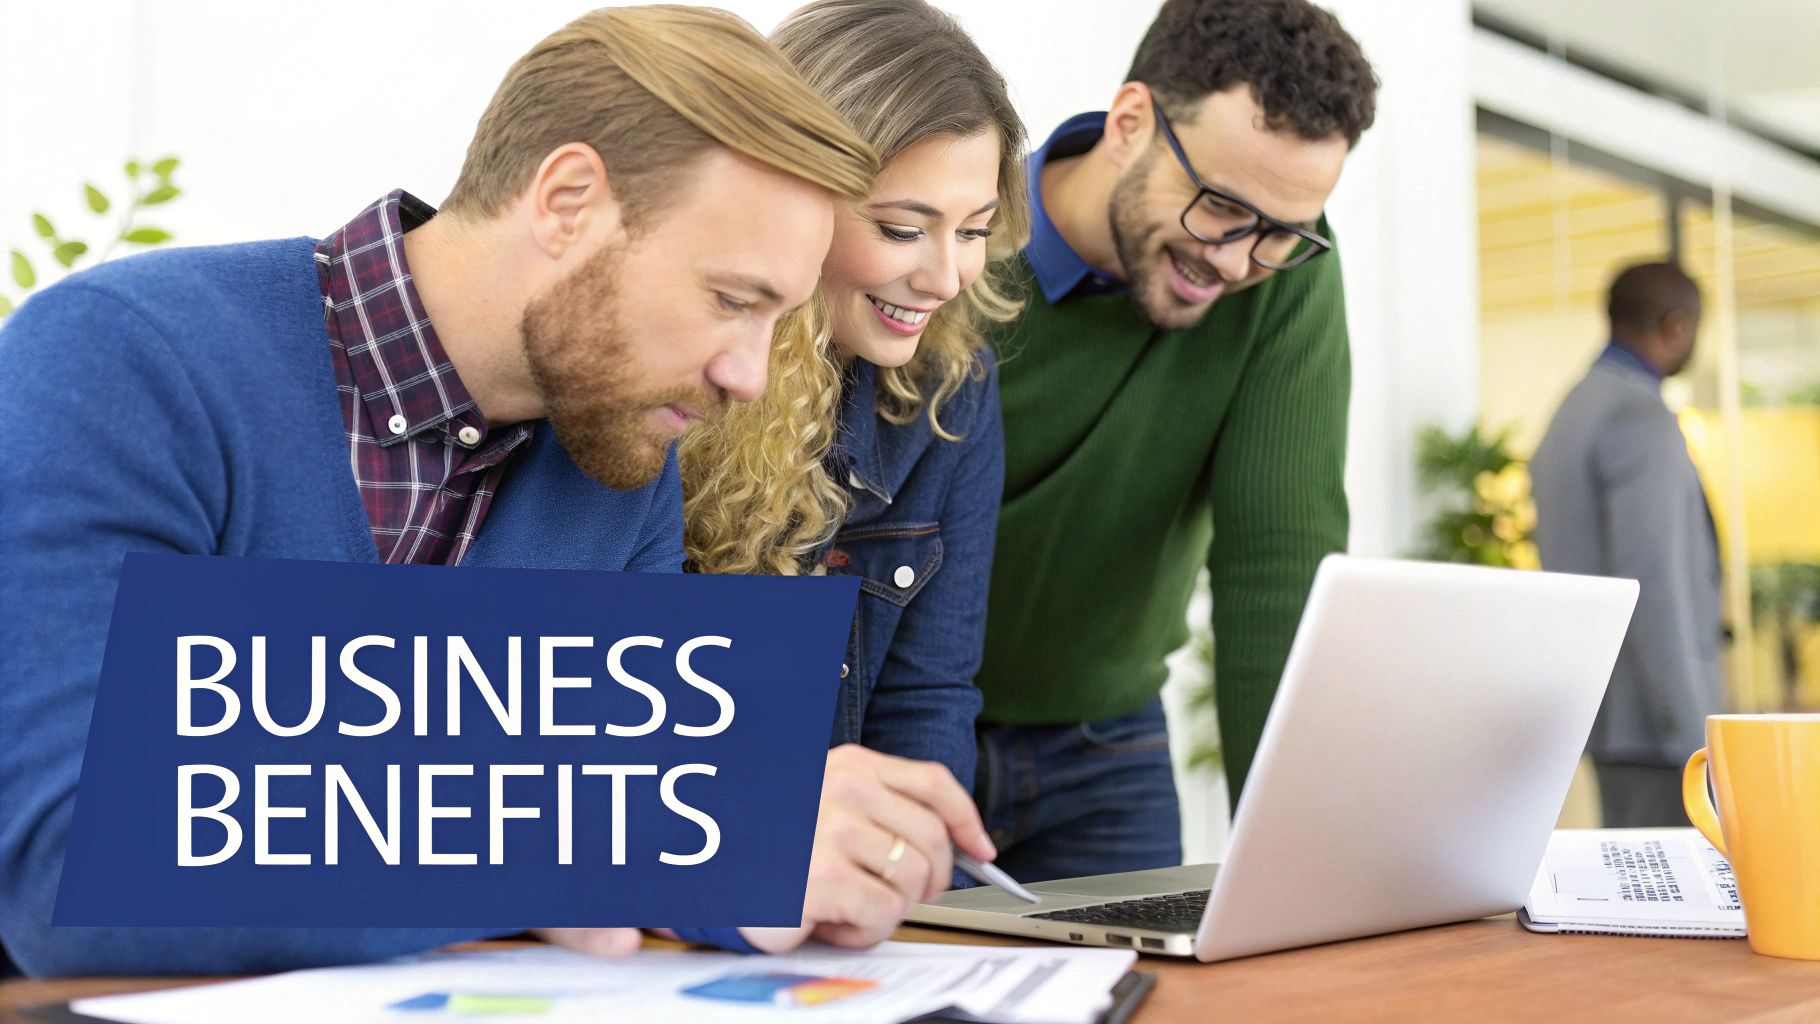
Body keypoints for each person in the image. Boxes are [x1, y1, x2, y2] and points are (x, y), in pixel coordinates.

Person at [0, 5, 993, 978]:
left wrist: (781, 855)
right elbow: (67, 856)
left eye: (776, 321)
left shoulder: (621, 460)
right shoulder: (124, 361)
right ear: (566, 203)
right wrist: (650, 833)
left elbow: (662, 828)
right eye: (731, 300)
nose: (747, 376)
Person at [972, 0, 1378, 882]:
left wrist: (1298, 879)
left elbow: (1276, 568)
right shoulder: (956, 237)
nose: (1237, 264)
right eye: (1223, 208)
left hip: (1106, 747)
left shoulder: (1285, 279)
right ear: (1130, 124)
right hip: (899, 733)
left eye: (1280, 232)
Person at [679, 0, 1027, 900]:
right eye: (904, 230)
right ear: (794, 197)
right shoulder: (673, 374)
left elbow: (929, 699)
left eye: (976, 228)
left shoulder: (954, 390)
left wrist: (908, 896)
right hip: (685, 880)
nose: (946, 277)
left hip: (847, 906)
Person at [1529, 262, 1724, 828]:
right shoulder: (1639, 416)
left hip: (1607, 709)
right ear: (1675, 325)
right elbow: (1652, 580)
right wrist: (1691, 729)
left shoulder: (1574, 408)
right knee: (1677, 902)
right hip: (1656, 723)